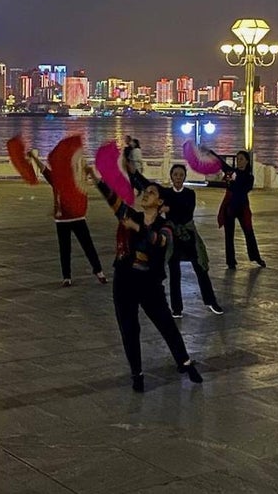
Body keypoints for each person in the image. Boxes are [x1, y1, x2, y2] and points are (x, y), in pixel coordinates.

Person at [87, 165, 203, 392]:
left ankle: (185, 363)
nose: (145, 194)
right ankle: (137, 374)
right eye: (144, 192)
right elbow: (114, 201)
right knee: (129, 329)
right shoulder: (132, 215)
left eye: (151, 193)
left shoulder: (166, 226)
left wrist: (137, 228)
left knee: (166, 325)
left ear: (160, 203)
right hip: (124, 281)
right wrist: (95, 179)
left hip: (150, 285)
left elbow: (159, 241)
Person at [28, 151, 107, 287]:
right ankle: (67, 276)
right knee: (65, 249)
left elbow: (90, 174)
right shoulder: (56, 178)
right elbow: (44, 169)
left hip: (78, 217)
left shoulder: (78, 179)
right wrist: (35, 157)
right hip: (62, 219)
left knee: (88, 246)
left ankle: (98, 271)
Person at [161, 164, 223, 317]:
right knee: (174, 273)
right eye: (175, 174)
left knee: (201, 268)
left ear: (184, 177)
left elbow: (186, 212)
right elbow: (147, 185)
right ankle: (177, 308)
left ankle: (210, 301)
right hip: (173, 238)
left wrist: (169, 209)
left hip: (188, 236)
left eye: (181, 175)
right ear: (171, 176)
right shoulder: (166, 193)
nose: (178, 178)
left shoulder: (190, 194)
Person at [220, 150, 266, 270]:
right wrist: (208, 152)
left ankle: (256, 257)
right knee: (229, 235)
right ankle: (231, 261)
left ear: (246, 161)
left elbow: (243, 190)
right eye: (237, 158)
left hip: (242, 207)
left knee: (249, 232)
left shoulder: (249, 177)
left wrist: (232, 182)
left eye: (241, 159)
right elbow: (220, 162)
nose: (239, 161)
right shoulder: (231, 172)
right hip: (229, 207)